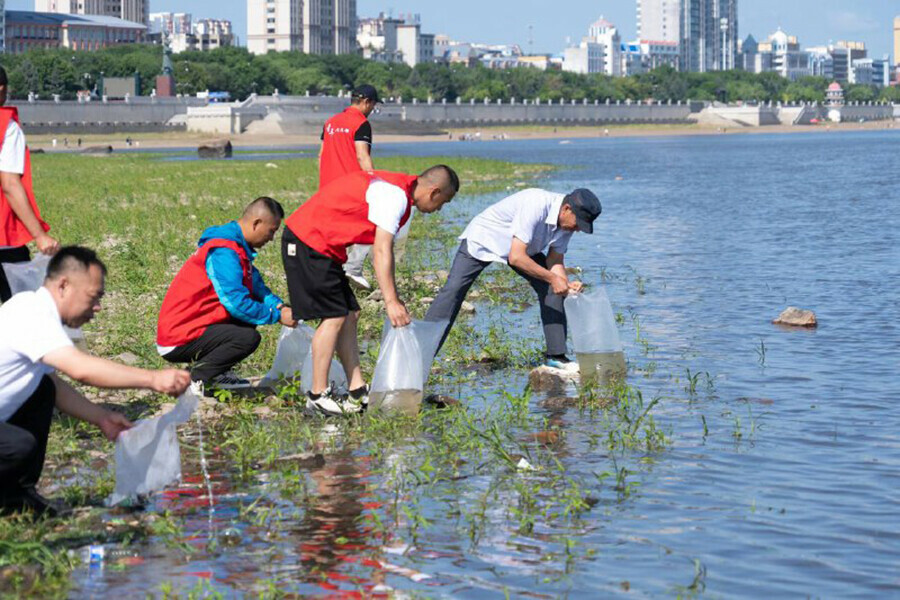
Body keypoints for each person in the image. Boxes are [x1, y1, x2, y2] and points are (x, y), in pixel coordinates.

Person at [0, 246, 191, 516]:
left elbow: (55, 387)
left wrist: (101, 417)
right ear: (63, 285)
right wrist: (153, 378)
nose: (98, 307)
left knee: (42, 389)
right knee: (16, 446)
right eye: (94, 296)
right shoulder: (32, 313)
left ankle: (15, 497)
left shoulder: (33, 310)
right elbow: (81, 369)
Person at [282, 165, 459, 416]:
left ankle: (357, 390)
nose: (441, 208)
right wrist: (391, 302)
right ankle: (317, 395)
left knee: (350, 313)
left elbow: (382, 250)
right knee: (334, 316)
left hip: (323, 247)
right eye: (444, 201)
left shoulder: (399, 191)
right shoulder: (395, 196)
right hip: (307, 241)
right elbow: (381, 251)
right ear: (434, 191)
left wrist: (394, 297)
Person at [425, 188, 602, 371]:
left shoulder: (566, 224)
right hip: (485, 240)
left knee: (552, 288)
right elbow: (516, 257)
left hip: (522, 249)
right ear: (566, 209)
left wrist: (564, 284)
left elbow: (555, 260)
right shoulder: (537, 204)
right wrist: (553, 278)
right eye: (578, 223)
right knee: (452, 293)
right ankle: (422, 355)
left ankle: (556, 357)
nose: (578, 229)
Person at [156, 197, 297, 394]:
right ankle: (195, 379)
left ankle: (216, 373)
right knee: (247, 337)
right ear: (257, 223)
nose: (271, 238)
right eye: (272, 231)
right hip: (178, 336)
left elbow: (257, 286)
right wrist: (276, 316)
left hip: (197, 326)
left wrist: (279, 307)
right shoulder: (224, 251)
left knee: (253, 310)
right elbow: (235, 303)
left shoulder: (238, 248)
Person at [0, 65, 60, 303]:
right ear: (2, 89)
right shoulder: (6, 127)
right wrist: (39, 235)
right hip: (3, 240)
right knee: (23, 306)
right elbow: (9, 184)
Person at [318, 84, 383, 291]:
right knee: (371, 224)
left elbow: (321, 155)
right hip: (352, 187)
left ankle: (331, 274)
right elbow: (362, 156)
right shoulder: (361, 123)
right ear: (366, 102)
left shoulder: (330, 123)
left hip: (328, 187)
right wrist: (375, 183)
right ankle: (353, 268)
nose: (372, 109)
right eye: (373, 105)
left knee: (335, 232)